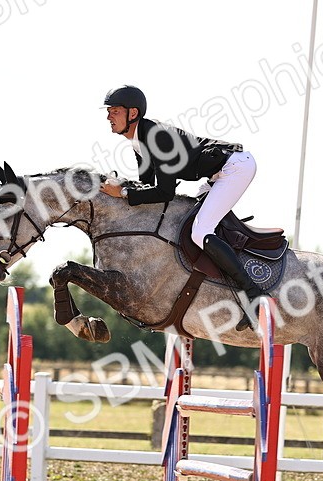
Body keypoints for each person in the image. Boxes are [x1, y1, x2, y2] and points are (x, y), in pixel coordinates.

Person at [99, 85, 261, 330]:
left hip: (234, 169)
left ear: (133, 113)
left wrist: (122, 193)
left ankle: (255, 295)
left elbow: (165, 192)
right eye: (109, 111)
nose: (109, 116)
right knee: (189, 224)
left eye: (115, 111)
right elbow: (146, 186)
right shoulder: (139, 141)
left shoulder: (156, 138)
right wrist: (123, 188)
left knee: (200, 231)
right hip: (218, 174)